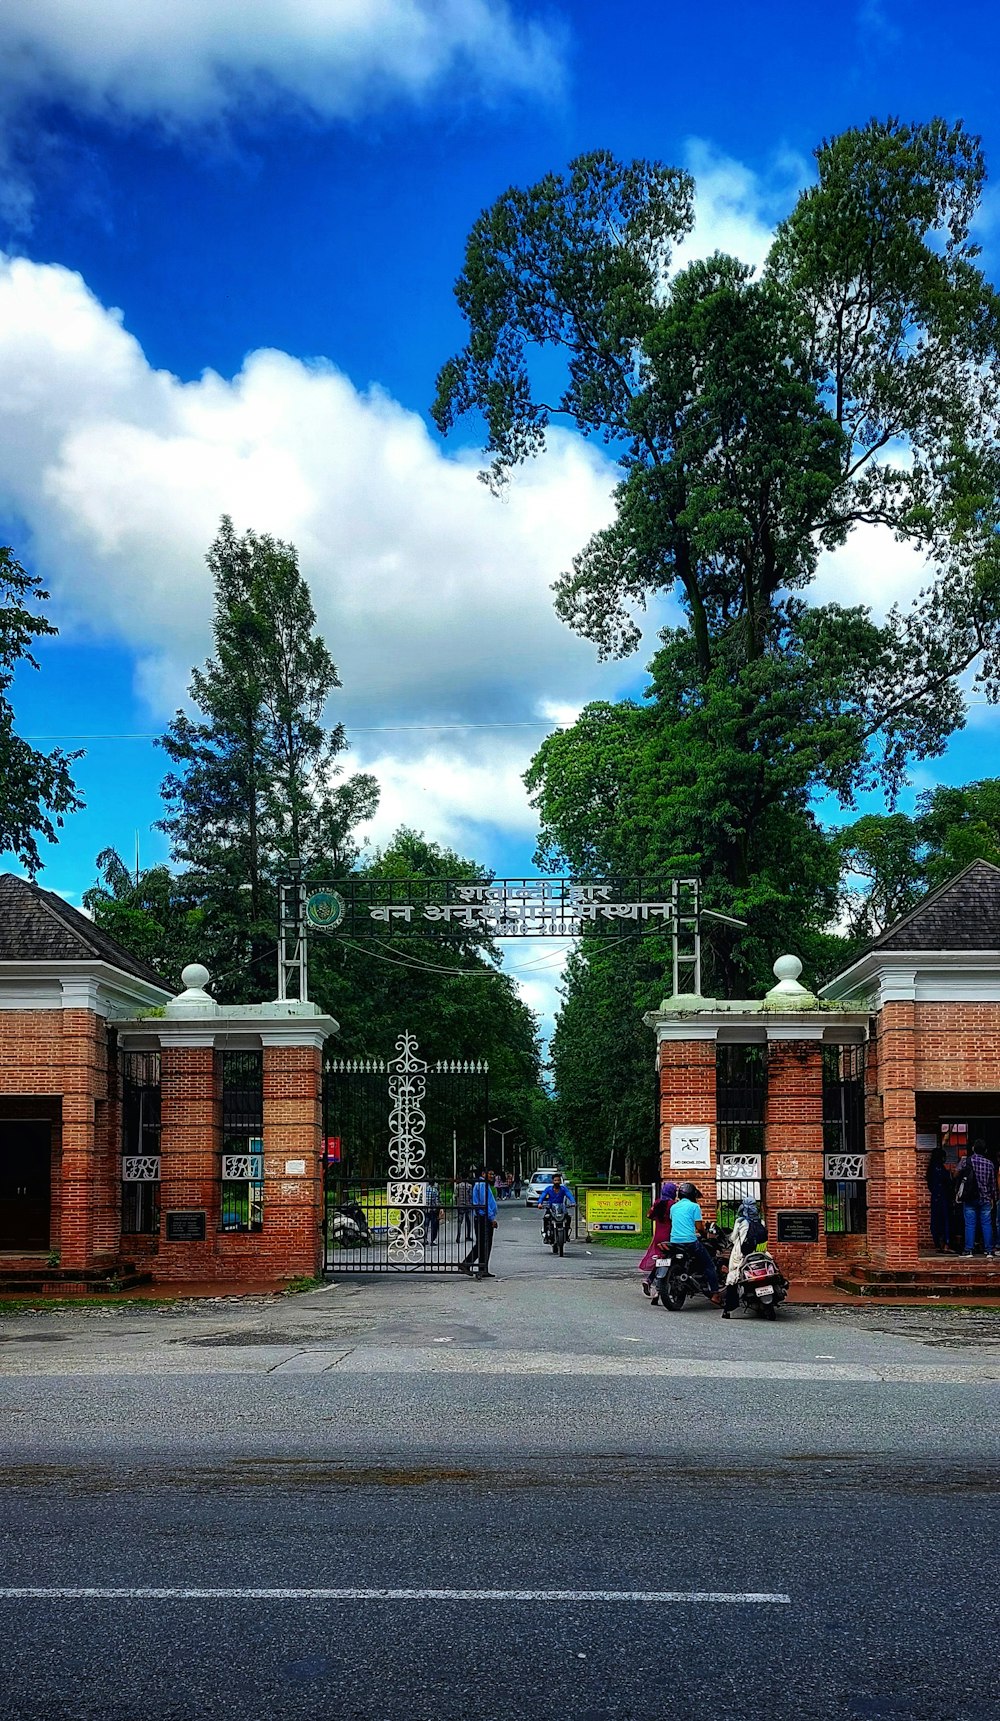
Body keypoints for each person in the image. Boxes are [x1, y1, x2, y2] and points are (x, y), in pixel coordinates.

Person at [652, 1180, 721, 1304]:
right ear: (692, 1195)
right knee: (709, 1265)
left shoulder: (674, 1207)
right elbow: (699, 1227)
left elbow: (675, 1222)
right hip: (690, 1241)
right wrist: (706, 1235)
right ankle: (715, 1293)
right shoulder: (694, 1207)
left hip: (674, 1241)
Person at [721, 1197, 767, 1318]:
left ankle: (729, 1308)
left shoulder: (740, 1221)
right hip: (760, 1252)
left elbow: (732, 1238)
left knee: (733, 1276)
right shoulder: (761, 1221)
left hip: (741, 1254)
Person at [958, 1139, 996, 1259]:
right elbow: (992, 1183)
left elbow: (955, 1173)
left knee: (970, 1224)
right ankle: (989, 1250)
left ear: (973, 1148)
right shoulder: (990, 1164)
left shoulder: (966, 1161)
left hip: (969, 1197)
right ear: (985, 1150)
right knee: (987, 1224)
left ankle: (969, 1250)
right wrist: (993, 1197)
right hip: (985, 1197)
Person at [638, 1181, 677, 1296]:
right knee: (666, 1260)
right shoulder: (673, 1205)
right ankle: (656, 1284)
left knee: (660, 1260)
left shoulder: (657, 1203)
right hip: (669, 1235)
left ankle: (649, 1280)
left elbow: (649, 1215)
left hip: (658, 1234)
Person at [460, 1168, 498, 1277]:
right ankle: (467, 1264)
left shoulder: (484, 1185)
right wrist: (492, 1218)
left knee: (484, 1244)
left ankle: (483, 1268)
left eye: (493, 1174)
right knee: (483, 1244)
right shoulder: (481, 1185)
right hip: (483, 1218)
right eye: (490, 1174)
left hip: (484, 1217)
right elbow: (483, 1203)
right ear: (483, 1174)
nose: (492, 1176)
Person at [925, 1146, 952, 1253]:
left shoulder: (931, 1168)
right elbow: (946, 1181)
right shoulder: (939, 1168)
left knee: (936, 1221)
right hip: (942, 1197)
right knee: (945, 1220)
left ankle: (937, 1244)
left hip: (935, 1196)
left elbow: (930, 1184)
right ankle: (945, 1244)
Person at [536, 1172, 575, 1242]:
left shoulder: (563, 1189)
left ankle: (566, 1235)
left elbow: (569, 1195)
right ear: (552, 1181)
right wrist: (539, 1203)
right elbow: (542, 1196)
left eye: (558, 1180)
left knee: (568, 1218)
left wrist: (573, 1202)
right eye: (555, 1180)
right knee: (546, 1218)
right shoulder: (548, 1189)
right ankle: (546, 1235)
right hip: (551, 1208)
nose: (557, 1182)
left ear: (560, 1181)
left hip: (561, 1208)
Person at [454, 1173, 473, 1243]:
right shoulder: (469, 1186)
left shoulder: (458, 1186)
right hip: (467, 1205)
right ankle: (468, 1236)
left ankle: (458, 1236)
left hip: (460, 1205)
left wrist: (456, 1203)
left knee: (459, 1222)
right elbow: (471, 1196)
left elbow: (455, 1195)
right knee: (468, 1221)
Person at [424, 1180, 442, 1247]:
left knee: (426, 1225)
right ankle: (433, 1240)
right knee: (433, 1226)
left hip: (426, 1210)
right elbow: (437, 1201)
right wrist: (439, 1208)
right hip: (433, 1210)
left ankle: (425, 1239)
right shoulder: (435, 1191)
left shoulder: (425, 1190)